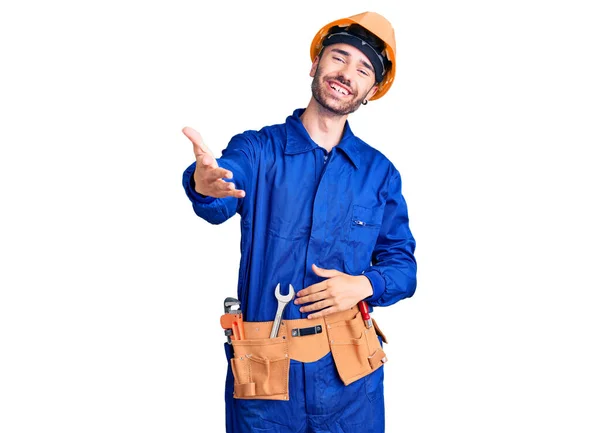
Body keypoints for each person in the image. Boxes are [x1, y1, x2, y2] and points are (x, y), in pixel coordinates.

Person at [181, 11, 417, 433]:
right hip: (268, 382)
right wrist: (205, 182)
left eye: (363, 69)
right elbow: (220, 193)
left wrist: (364, 285)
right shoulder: (258, 150)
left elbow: (403, 268)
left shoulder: (379, 174)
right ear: (315, 64)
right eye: (339, 57)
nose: (347, 73)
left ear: (372, 90)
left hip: (350, 382)